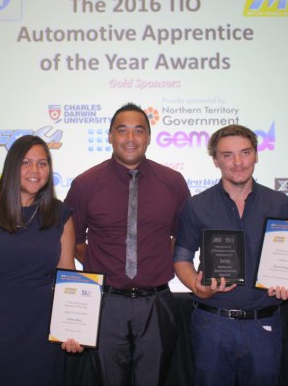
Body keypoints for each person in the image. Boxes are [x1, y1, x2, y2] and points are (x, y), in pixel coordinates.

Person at [64, 103, 190, 386]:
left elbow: (182, 237)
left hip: (156, 304)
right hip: (106, 304)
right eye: (122, 131)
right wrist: (97, 260)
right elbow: (71, 240)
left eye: (138, 131)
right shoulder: (85, 184)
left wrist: (157, 260)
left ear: (148, 136)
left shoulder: (173, 182)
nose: (130, 139)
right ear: (109, 136)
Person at [0, 135, 82, 386]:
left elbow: (67, 274)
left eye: (42, 164)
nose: (35, 171)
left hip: (43, 332)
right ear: (12, 167)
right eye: (26, 163)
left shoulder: (60, 214)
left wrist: (72, 329)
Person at [173, 124, 288, 386]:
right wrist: (197, 285)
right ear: (216, 160)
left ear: (256, 155)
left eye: (245, 152)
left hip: (263, 323)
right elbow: (182, 257)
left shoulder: (279, 203)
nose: (238, 162)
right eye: (227, 155)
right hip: (212, 323)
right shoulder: (197, 206)